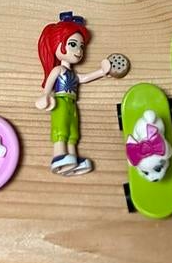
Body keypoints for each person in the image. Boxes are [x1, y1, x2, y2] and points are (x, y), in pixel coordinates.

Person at [35, 12, 113, 176]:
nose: (78, 50)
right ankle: (58, 155)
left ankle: (72, 157)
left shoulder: (72, 74)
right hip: (60, 101)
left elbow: (84, 78)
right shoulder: (58, 70)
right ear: (57, 45)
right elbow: (48, 86)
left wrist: (102, 71)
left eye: (81, 46)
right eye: (72, 44)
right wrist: (45, 95)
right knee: (61, 127)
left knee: (72, 131)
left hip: (71, 103)